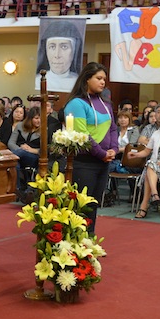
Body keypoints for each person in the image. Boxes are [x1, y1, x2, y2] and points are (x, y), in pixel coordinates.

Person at [60, 62, 118, 233]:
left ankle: (88, 239)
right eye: (98, 78)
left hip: (103, 162)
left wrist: (114, 149)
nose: (103, 82)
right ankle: (76, 240)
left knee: (93, 204)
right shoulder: (76, 103)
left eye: (104, 79)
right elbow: (82, 134)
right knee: (81, 205)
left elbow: (113, 128)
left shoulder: (105, 103)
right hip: (84, 162)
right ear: (87, 79)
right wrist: (101, 153)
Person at [130, 108, 160, 218]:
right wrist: (135, 155)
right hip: (155, 167)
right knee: (150, 165)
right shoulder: (156, 134)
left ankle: (145, 206)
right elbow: (146, 151)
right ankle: (154, 194)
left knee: (149, 169)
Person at [35, 20, 83, 92]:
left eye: (64, 47)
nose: (57, 55)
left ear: (74, 51)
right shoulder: (37, 80)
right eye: (52, 47)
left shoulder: (79, 82)